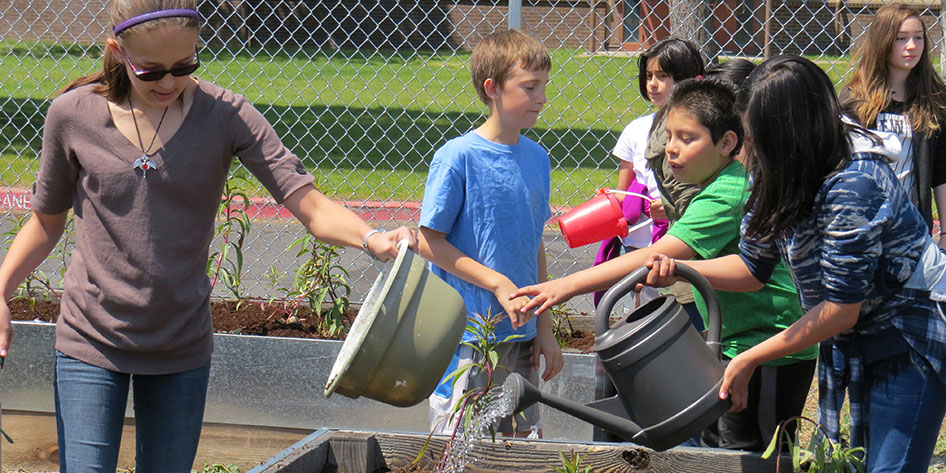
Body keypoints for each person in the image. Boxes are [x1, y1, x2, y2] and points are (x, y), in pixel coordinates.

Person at [0, 1, 415, 470]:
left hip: (181, 343)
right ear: (117, 51)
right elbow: (46, 221)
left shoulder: (225, 115)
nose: (170, 82)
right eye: (151, 71)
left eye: (185, 65)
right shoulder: (72, 115)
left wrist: (371, 237)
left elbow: (311, 205)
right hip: (91, 339)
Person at [645, 55, 946, 472]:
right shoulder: (776, 176)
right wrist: (681, 270)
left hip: (909, 335)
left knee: (890, 467)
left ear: (787, 134)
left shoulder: (853, 185)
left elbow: (841, 310)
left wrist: (749, 357)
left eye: (754, 135)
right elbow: (753, 267)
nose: (744, 147)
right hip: (860, 335)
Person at [512, 78, 817, 451]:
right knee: (716, 451)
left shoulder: (726, 192)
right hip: (741, 340)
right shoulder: (720, 183)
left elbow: (660, 255)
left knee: (753, 457)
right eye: (669, 135)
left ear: (726, 143)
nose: (671, 149)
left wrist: (564, 286)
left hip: (769, 346)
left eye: (687, 138)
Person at [417, 29, 564, 438]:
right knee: (460, 442)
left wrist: (545, 330)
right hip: (468, 336)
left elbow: (534, 245)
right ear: (492, 88)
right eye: (530, 86)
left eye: (544, 87)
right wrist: (496, 282)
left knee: (519, 444)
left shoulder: (537, 158)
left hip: (523, 333)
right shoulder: (457, 157)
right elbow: (430, 242)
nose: (541, 98)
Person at [599, 38, 705, 309]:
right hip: (643, 244)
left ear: (688, 78)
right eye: (649, 76)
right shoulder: (636, 130)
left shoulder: (704, 131)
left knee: (688, 312)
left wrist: (670, 209)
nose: (653, 84)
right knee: (646, 314)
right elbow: (622, 192)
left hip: (686, 241)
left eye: (663, 76)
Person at [841, 3, 946, 241]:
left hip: (913, 227)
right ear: (883, 42)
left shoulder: (935, 100)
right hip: (864, 223)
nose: (912, 46)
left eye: (918, 37)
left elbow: (941, 172)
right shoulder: (855, 99)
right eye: (901, 38)